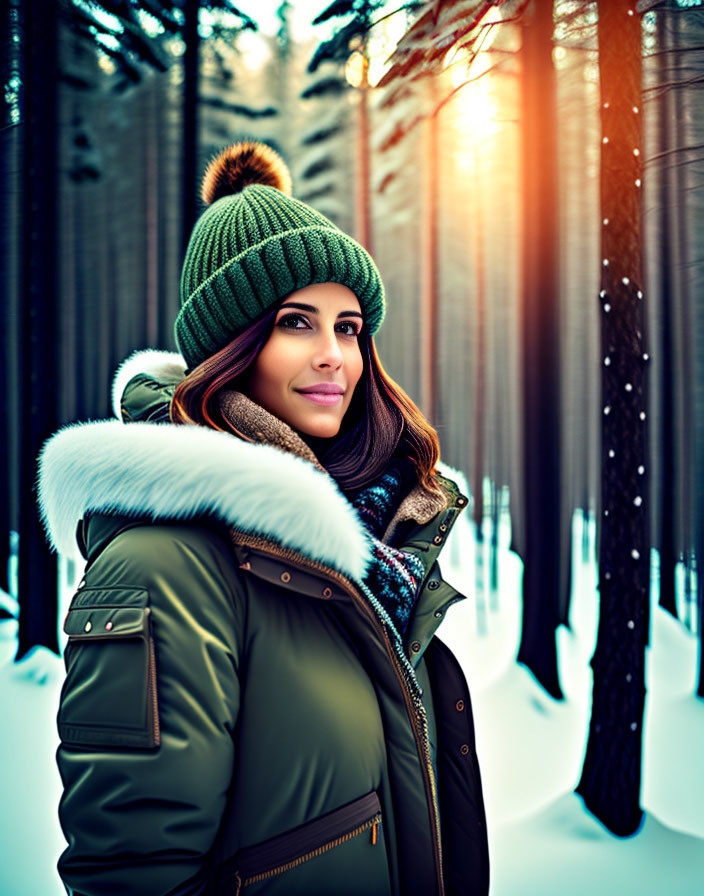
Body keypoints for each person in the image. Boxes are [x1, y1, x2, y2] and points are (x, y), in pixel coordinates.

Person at [38, 141, 489, 896]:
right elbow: (132, 874)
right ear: (230, 347)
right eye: (295, 323)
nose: (334, 357)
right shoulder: (162, 567)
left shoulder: (375, 547)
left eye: (348, 328)